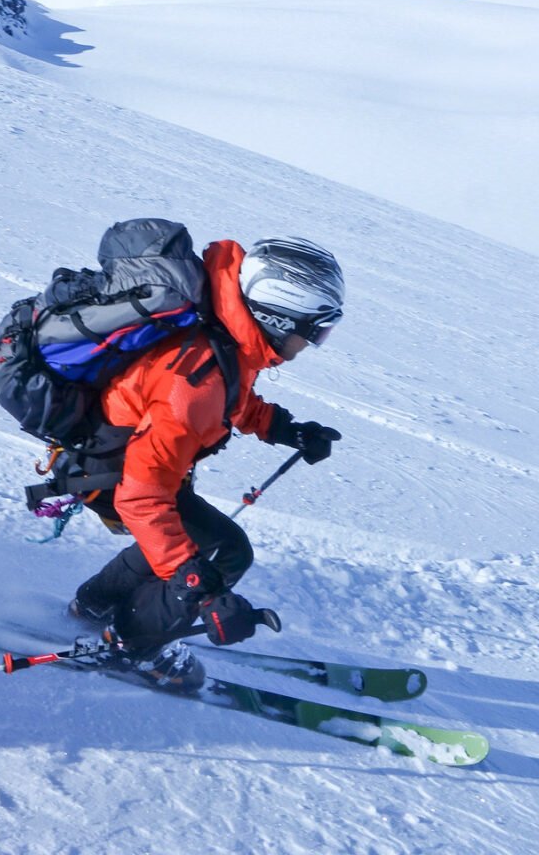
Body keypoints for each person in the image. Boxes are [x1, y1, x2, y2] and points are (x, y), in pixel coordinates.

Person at [67, 236, 344, 691]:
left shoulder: (228, 335)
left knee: (187, 538)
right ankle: (131, 645)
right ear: (278, 317)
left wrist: (284, 429)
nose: (314, 343)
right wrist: (202, 590)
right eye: (315, 330)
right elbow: (143, 497)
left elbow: (231, 399)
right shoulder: (195, 382)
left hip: (119, 459)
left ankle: (93, 606)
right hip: (120, 476)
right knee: (222, 552)